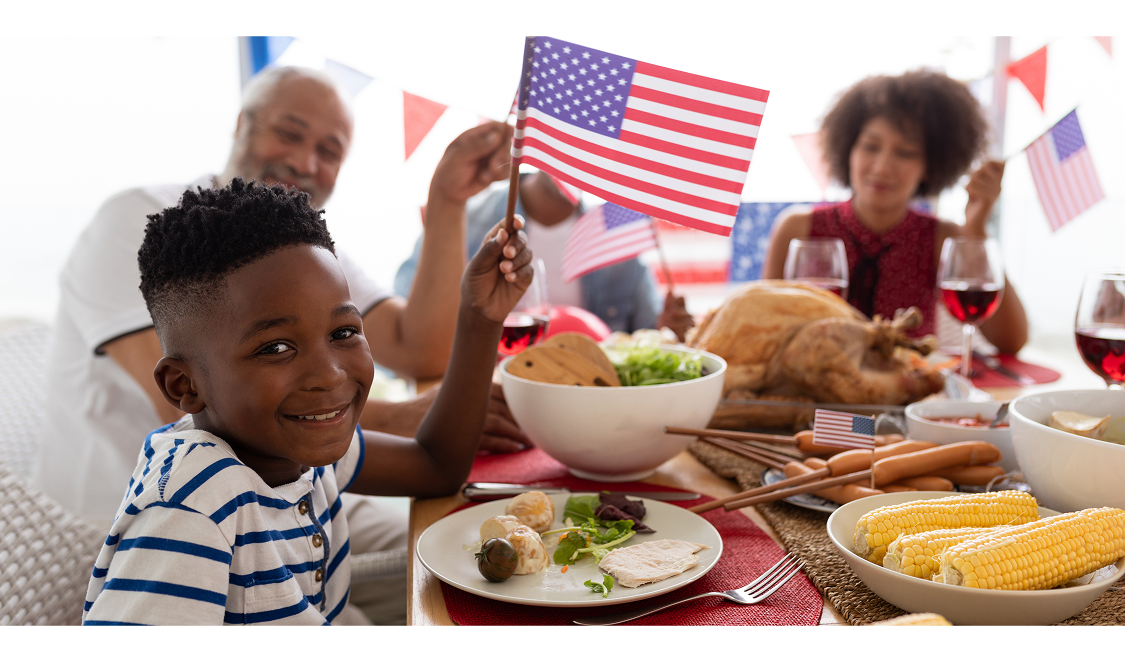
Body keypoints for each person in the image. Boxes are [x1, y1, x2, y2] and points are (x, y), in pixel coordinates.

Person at [35, 66, 530, 528]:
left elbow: (416, 346)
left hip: (286, 496)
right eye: (289, 133)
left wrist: (447, 198)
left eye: (329, 151)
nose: (303, 162)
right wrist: (395, 416)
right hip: (136, 526)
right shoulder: (145, 224)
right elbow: (199, 409)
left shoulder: (294, 248)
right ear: (240, 124)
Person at [82, 178, 533, 625]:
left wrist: (480, 317)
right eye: (276, 348)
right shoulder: (192, 508)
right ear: (185, 385)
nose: (330, 375)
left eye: (343, 333)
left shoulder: (294, 448)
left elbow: (436, 466)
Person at [762, 70, 1028, 354]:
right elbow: (766, 330)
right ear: (848, 149)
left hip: (908, 390)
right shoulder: (797, 229)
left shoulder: (942, 237)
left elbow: (1011, 341)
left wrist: (974, 227)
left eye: (905, 153)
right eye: (870, 146)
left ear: (930, 165)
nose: (882, 167)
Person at [395, 170, 696, 341]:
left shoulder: (617, 241)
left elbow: (646, 340)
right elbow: (409, 324)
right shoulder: (466, 220)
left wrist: (667, 331)